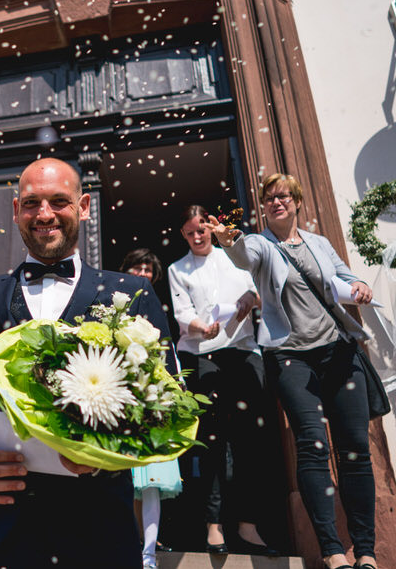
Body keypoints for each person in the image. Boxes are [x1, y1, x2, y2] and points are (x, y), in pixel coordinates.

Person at [0, 158, 172, 568]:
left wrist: (106, 450)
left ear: (84, 206)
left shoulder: (133, 294)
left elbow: (163, 403)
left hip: (97, 534)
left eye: (59, 201)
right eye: (31, 203)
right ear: (15, 210)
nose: (44, 214)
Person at [208, 174, 377, 569]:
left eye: (283, 196)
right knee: (313, 447)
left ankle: (366, 552)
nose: (276, 202)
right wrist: (229, 239)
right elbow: (244, 255)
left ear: (297, 201)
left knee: (355, 450)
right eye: (269, 198)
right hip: (291, 357)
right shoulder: (262, 245)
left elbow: (344, 275)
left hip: (337, 352)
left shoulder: (318, 242)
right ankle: (333, 552)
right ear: (264, 207)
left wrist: (361, 286)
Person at [167, 205, 277, 556]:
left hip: (244, 350)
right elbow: (183, 314)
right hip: (203, 354)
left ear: (212, 227)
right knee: (211, 439)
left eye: (201, 229)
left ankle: (248, 523)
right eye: (190, 232)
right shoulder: (177, 269)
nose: (198, 236)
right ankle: (213, 524)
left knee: (250, 439)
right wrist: (202, 326)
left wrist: (250, 298)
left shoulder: (234, 256)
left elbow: (261, 289)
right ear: (183, 235)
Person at [122, 251, 182, 569]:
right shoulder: (114, 304)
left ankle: (147, 556)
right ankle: (129, 548)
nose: (143, 273)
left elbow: (169, 349)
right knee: (127, 479)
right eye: (137, 267)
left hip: (154, 397)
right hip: (122, 397)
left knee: (152, 480)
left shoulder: (157, 307)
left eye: (148, 269)